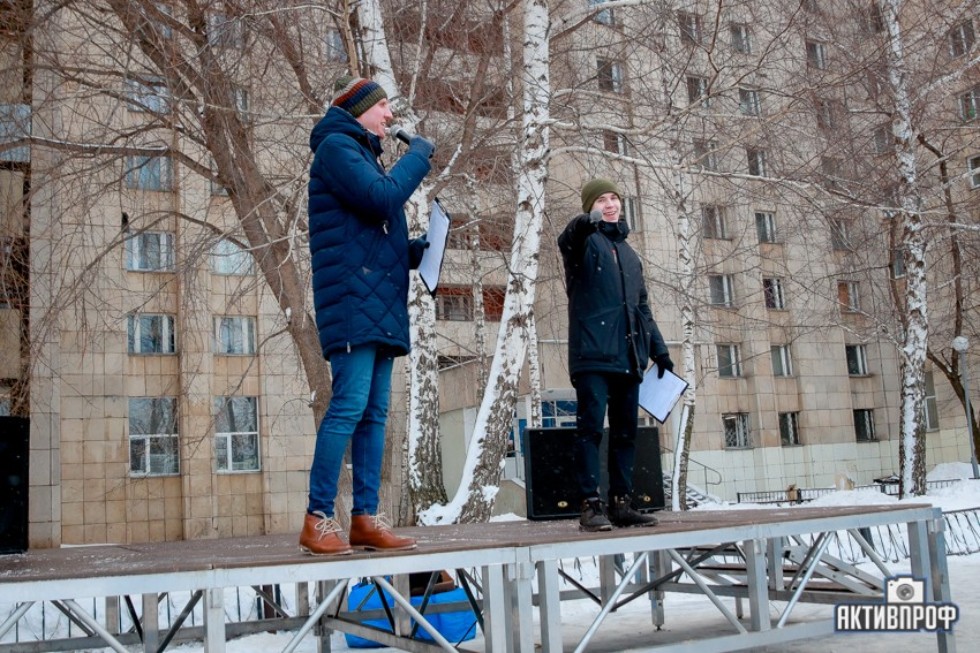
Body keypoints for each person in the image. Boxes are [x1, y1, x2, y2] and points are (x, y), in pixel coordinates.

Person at [300, 76, 435, 555]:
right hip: (352, 302)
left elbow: (371, 231)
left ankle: (364, 518)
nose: (389, 116)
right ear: (360, 110)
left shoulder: (361, 155)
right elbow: (382, 198)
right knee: (349, 407)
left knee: (374, 414)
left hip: (375, 303)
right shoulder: (337, 148)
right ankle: (317, 518)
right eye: (383, 108)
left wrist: (418, 250)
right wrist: (418, 156)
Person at [557, 178, 674, 532]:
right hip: (592, 354)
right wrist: (586, 221)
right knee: (590, 429)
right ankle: (590, 505)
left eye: (614, 198)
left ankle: (622, 502)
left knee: (626, 433)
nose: (610, 205)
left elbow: (642, 308)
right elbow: (567, 237)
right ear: (590, 206)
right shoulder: (583, 243)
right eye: (601, 200)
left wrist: (659, 350)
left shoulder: (630, 255)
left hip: (628, 356)